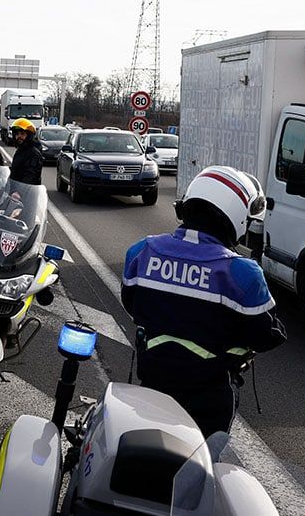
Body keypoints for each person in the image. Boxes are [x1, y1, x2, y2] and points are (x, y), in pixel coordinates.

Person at [121, 166, 287, 439]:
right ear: (237, 217)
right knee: (204, 461)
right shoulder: (242, 271)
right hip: (209, 398)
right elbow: (266, 336)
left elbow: (132, 305)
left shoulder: (142, 250)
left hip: (152, 381)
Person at [9, 118, 43, 184]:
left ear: (29, 135)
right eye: (17, 134)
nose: (19, 136)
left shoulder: (33, 153)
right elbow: (17, 169)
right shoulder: (20, 150)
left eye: (22, 134)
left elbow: (31, 175)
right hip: (15, 187)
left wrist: (20, 189)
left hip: (27, 189)